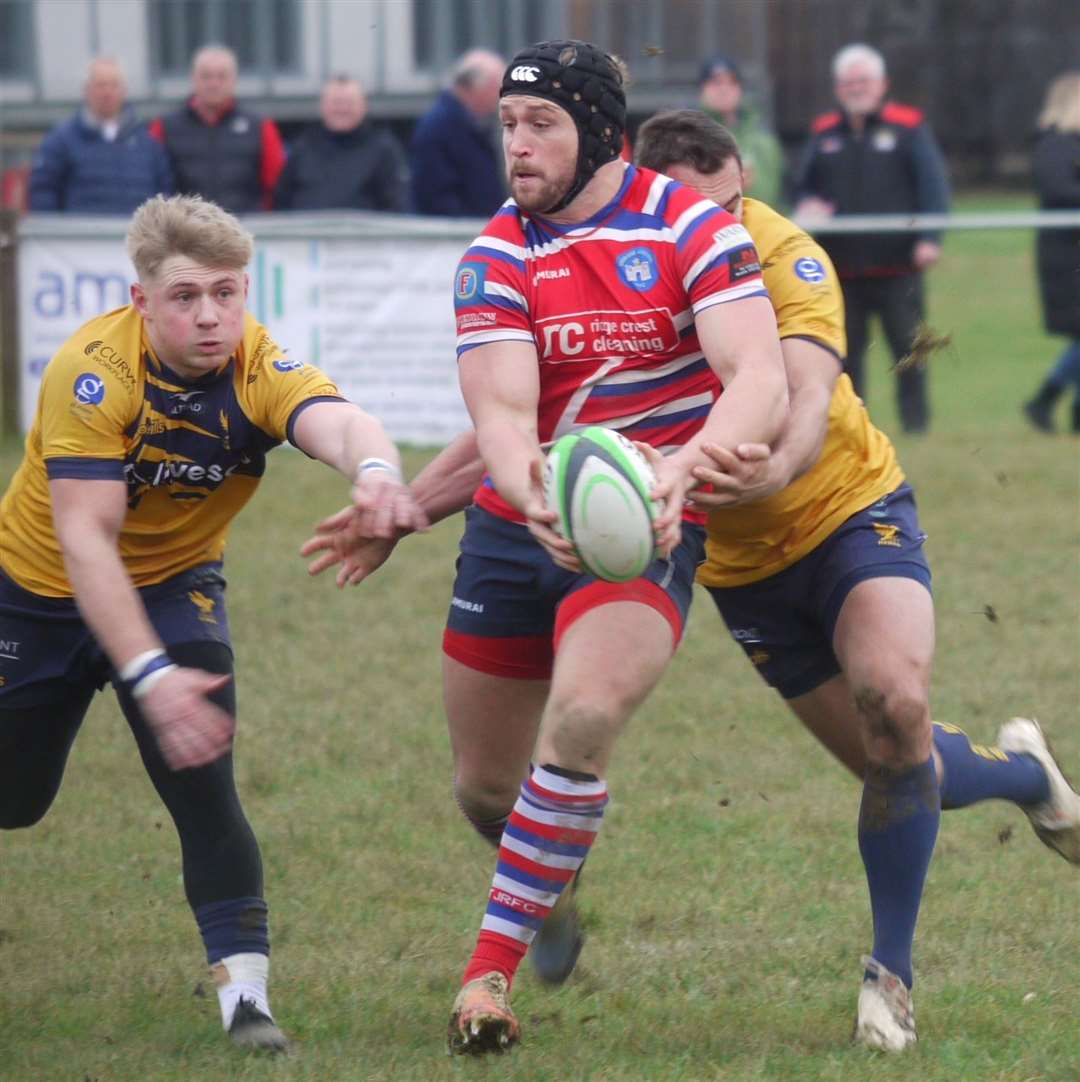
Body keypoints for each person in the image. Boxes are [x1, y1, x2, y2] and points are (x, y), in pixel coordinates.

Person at [304, 107, 1080, 1055]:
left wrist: (763, 463)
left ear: (745, 184)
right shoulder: (625, 252)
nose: (717, 231)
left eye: (731, 207)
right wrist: (412, 507)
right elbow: (533, 414)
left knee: (896, 704)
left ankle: (891, 976)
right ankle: (1018, 773)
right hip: (739, 568)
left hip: (845, 516)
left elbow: (798, 404)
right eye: (693, 211)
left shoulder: (782, 257)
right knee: (885, 758)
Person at [315, 37, 789, 1055]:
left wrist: (682, 470)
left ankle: (486, 973)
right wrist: (528, 488)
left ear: (603, 134)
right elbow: (500, 407)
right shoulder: (496, 251)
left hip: (648, 520)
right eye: (509, 128)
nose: (518, 148)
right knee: (487, 787)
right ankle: (553, 881)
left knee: (578, 718)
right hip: (514, 521)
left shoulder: (690, 229)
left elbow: (757, 375)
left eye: (542, 126)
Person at [0, 194, 426, 1053]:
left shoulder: (255, 360)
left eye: (228, 294)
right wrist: (149, 677)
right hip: (39, 593)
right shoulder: (92, 372)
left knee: (204, 775)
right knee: (16, 800)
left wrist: (377, 471)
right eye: (188, 296)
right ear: (141, 300)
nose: (211, 317)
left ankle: (246, 1002)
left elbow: (335, 420)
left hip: (173, 584)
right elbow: (86, 543)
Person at [793, 43, 950, 434]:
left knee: (909, 350)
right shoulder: (824, 133)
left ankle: (917, 426)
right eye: (847, 82)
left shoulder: (908, 127)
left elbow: (933, 188)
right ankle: (852, 427)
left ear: (881, 84)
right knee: (844, 356)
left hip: (898, 266)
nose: (855, 88)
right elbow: (801, 188)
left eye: (863, 81)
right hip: (842, 269)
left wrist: (929, 238)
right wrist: (807, 207)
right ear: (837, 87)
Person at [150, 45, 286, 213]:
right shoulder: (164, 127)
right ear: (193, 78)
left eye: (222, 77)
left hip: (243, 231)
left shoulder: (261, 127)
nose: (213, 83)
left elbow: (277, 186)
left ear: (234, 80)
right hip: (185, 233)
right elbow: (153, 186)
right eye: (206, 76)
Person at [29, 57, 174, 213]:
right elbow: (44, 193)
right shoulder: (60, 141)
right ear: (86, 90)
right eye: (100, 85)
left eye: (113, 85)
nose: (107, 92)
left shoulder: (148, 144)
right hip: (80, 236)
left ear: (124, 91)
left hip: (137, 235)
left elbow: (165, 193)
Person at [1022, 71, 1080, 433]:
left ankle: (1066, 408)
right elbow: (1060, 190)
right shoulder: (1053, 145)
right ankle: (1045, 399)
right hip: (1066, 258)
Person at [273, 75, 408, 212]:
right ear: (322, 106)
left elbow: (397, 206)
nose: (342, 109)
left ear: (363, 106)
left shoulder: (384, 151)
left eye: (349, 103)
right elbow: (281, 201)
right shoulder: (302, 149)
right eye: (336, 102)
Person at [409, 49, 506, 217]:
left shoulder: (472, 124)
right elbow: (435, 196)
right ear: (478, 88)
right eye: (497, 88)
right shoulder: (439, 129)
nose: (501, 97)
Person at [698, 53, 783, 207]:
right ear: (702, 89)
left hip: (762, 225)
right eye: (716, 82)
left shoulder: (764, 138)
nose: (725, 89)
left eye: (732, 82)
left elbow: (783, 193)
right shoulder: (691, 136)